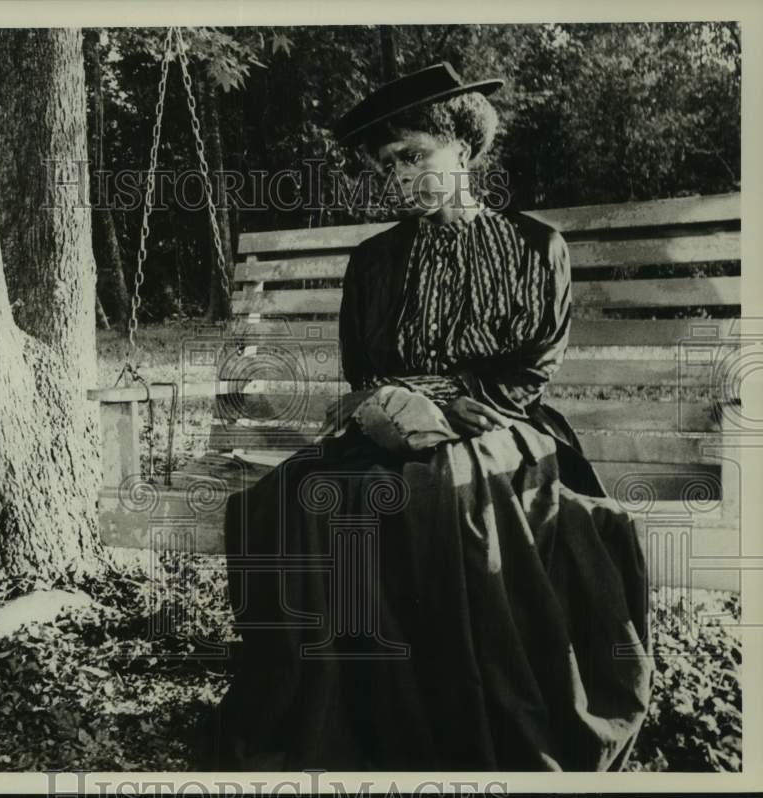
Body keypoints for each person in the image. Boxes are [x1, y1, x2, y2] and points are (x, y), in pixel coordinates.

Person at [208, 63, 653, 772]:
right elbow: (366, 370)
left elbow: (534, 366)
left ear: (464, 150)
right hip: (390, 421)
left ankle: (468, 720)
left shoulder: (536, 247)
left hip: (503, 425)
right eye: (386, 165)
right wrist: (392, 407)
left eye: (414, 155)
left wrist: (443, 406)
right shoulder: (374, 262)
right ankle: (352, 722)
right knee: (305, 498)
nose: (399, 177)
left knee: (441, 497)